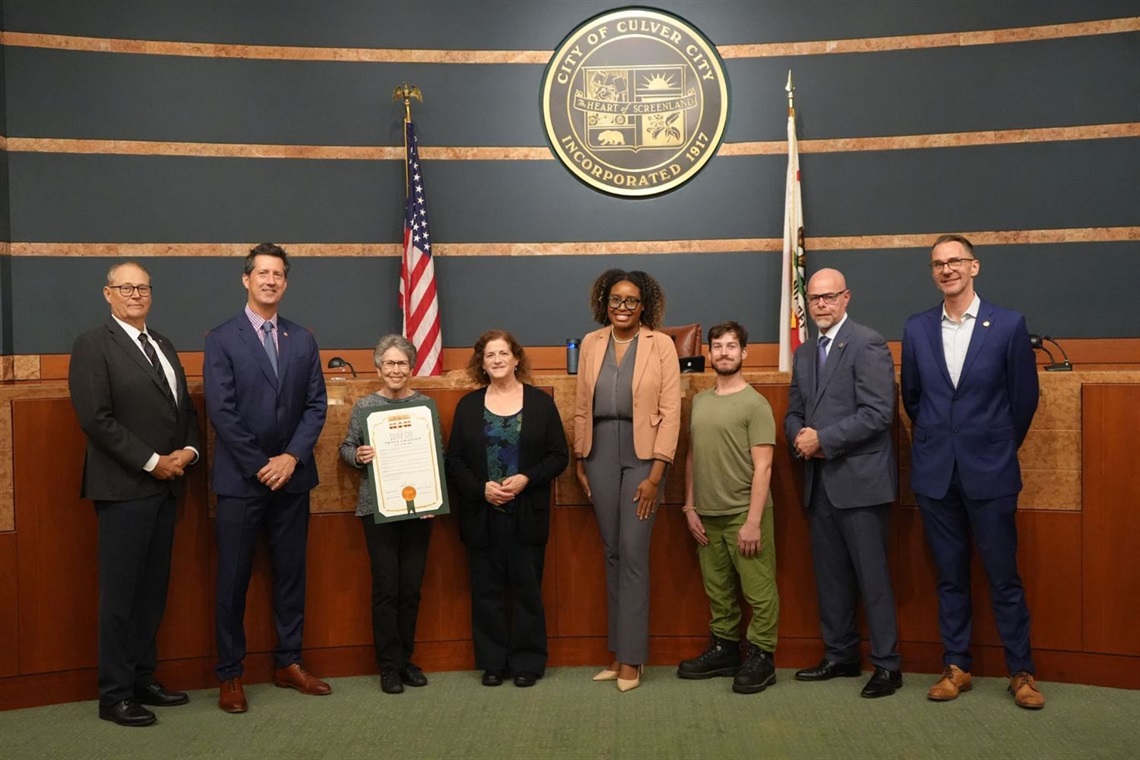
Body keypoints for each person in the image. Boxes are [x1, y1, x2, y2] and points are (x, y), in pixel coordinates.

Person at [901, 234, 1043, 710]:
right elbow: (914, 400)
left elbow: (1023, 400)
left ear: (974, 267)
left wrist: (993, 445)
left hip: (992, 472)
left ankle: (1020, 672)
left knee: (1004, 577)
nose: (947, 270)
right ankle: (956, 666)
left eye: (955, 261)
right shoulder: (918, 329)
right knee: (950, 577)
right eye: (938, 264)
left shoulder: (1007, 324)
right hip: (936, 473)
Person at [68, 262, 200, 727]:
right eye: (126, 287)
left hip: (167, 489)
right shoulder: (92, 345)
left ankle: (143, 678)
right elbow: (96, 419)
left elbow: (182, 408)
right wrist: (152, 461)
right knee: (120, 598)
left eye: (143, 287)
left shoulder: (161, 343)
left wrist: (187, 450)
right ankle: (114, 695)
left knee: (151, 595)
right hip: (124, 490)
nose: (136, 294)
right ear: (108, 293)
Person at [204, 243, 330, 713]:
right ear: (246, 279)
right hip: (241, 482)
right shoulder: (221, 338)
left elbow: (316, 405)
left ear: (286, 282)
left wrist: (291, 458)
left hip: (292, 481)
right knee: (233, 581)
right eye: (262, 273)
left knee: (291, 577)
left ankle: (289, 663)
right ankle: (231, 675)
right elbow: (222, 410)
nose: (270, 280)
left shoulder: (302, 338)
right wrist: (263, 463)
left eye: (278, 274)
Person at [784, 269, 902, 698]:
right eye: (814, 299)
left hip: (861, 481)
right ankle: (841, 656)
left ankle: (888, 665)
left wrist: (823, 440)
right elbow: (794, 409)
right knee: (830, 578)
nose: (820, 305)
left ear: (846, 298)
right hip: (819, 482)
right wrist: (798, 436)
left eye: (829, 298)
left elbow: (878, 413)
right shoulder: (805, 352)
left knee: (872, 578)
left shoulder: (867, 343)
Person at [573, 269, 681, 692]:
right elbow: (582, 405)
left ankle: (634, 659)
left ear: (644, 305)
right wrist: (581, 459)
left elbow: (671, 412)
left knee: (634, 554)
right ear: (605, 302)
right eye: (615, 299)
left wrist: (656, 474)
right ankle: (617, 656)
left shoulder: (662, 346)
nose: (622, 307)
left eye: (631, 301)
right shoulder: (591, 343)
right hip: (599, 452)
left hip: (642, 458)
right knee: (613, 553)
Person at [446, 330, 569, 688]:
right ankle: (493, 662)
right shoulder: (468, 406)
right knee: (486, 593)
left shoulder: (541, 404)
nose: (497, 360)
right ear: (481, 364)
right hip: (482, 514)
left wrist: (527, 478)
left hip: (526, 514)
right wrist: (480, 490)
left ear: (517, 358)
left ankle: (528, 663)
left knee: (528, 591)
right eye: (489, 355)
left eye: (503, 353)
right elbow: (453, 461)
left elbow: (559, 456)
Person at [677, 322, 779, 695]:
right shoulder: (701, 401)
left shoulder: (756, 404)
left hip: (744, 514)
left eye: (731, 346)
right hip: (707, 514)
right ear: (709, 353)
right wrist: (690, 506)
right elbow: (691, 457)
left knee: (758, 589)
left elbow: (764, 466)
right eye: (717, 346)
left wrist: (753, 522)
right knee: (718, 589)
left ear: (744, 353)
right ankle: (725, 650)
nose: (723, 352)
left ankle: (763, 656)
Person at [339, 335, 440, 695]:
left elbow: (435, 454)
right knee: (387, 589)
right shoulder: (365, 407)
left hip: (419, 511)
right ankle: (388, 666)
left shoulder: (425, 405)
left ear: (411, 368)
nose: (396, 370)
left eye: (402, 364)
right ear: (378, 367)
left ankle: (406, 661)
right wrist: (358, 456)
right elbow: (346, 448)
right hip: (377, 510)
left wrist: (432, 497)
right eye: (389, 363)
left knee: (411, 589)